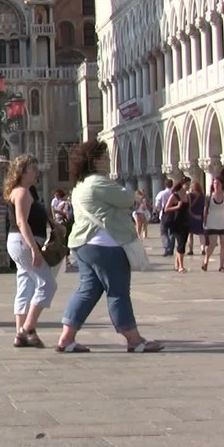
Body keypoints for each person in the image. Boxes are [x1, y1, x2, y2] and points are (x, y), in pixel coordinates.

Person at [55, 139, 162, 353]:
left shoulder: (80, 186)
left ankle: (67, 339)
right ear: (94, 161)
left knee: (87, 290)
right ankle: (134, 340)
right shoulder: (98, 183)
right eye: (105, 158)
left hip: (83, 245)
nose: (109, 161)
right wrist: (132, 195)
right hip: (105, 245)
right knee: (118, 291)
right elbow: (128, 200)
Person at [4, 154, 60, 347]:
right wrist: (34, 249)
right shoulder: (21, 192)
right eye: (33, 169)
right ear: (22, 172)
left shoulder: (27, 191)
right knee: (47, 284)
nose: (37, 172)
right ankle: (27, 328)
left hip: (18, 242)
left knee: (25, 285)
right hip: (24, 242)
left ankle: (22, 334)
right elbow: (21, 222)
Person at [201, 177, 224, 273]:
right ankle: (206, 261)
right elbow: (205, 209)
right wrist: (204, 221)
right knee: (213, 243)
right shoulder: (209, 196)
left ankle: (221, 266)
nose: (216, 185)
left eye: (218, 183)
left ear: (222, 184)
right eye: (214, 183)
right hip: (212, 222)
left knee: (223, 244)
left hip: (223, 222)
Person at [163, 180, 192, 274]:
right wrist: (177, 207)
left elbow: (189, 210)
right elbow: (166, 208)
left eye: (189, 184)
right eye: (186, 184)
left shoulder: (187, 196)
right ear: (182, 184)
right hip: (176, 223)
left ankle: (177, 264)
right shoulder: (174, 196)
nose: (188, 186)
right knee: (180, 244)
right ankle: (181, 267)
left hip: (185, 223)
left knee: (182, 243)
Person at [154, 179, 175, 256]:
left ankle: (167, 247)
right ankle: (171, 248)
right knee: (172, 232)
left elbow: (157, 205)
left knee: (164, 232)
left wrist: (159, 210)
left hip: (164, 215)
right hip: (174, 215)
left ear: (165, 184)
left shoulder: (161, 194)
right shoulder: (175, 193)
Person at [187, 181, 206, 255]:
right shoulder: (202, 196)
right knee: (201, 233)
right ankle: (203, 249)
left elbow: (187, 206)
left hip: (191, 216)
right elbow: (205, 207)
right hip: (199, 216)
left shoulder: (190, 196)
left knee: (190, 234)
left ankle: (190, 249)